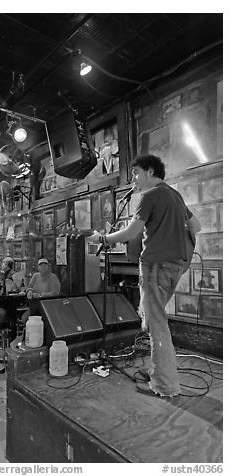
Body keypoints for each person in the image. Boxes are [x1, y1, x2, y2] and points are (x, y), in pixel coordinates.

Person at [91, 155, 201, 398]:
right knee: (155, 320)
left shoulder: (149, 196)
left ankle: (165, 385)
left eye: (137, 173)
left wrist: (102, 239)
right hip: (173, 267)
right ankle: (156, 371)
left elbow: (132, 232)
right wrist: (182, 255)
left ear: (151, 171)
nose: (134, 179)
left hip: (155, 266)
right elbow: (197, 227)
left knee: (156, 324)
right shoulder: (175, 195)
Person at [22, 258, 61, 324]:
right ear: (38, 267)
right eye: (41, 265)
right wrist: (29, 291)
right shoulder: (35, 276)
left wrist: (40, 295)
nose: (43, 267)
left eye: (45, 265)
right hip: (35, 305)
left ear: (48, 267)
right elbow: (29, 287)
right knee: (24, 319)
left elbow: (55, 293)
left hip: (48, 306)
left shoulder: (53, 277)